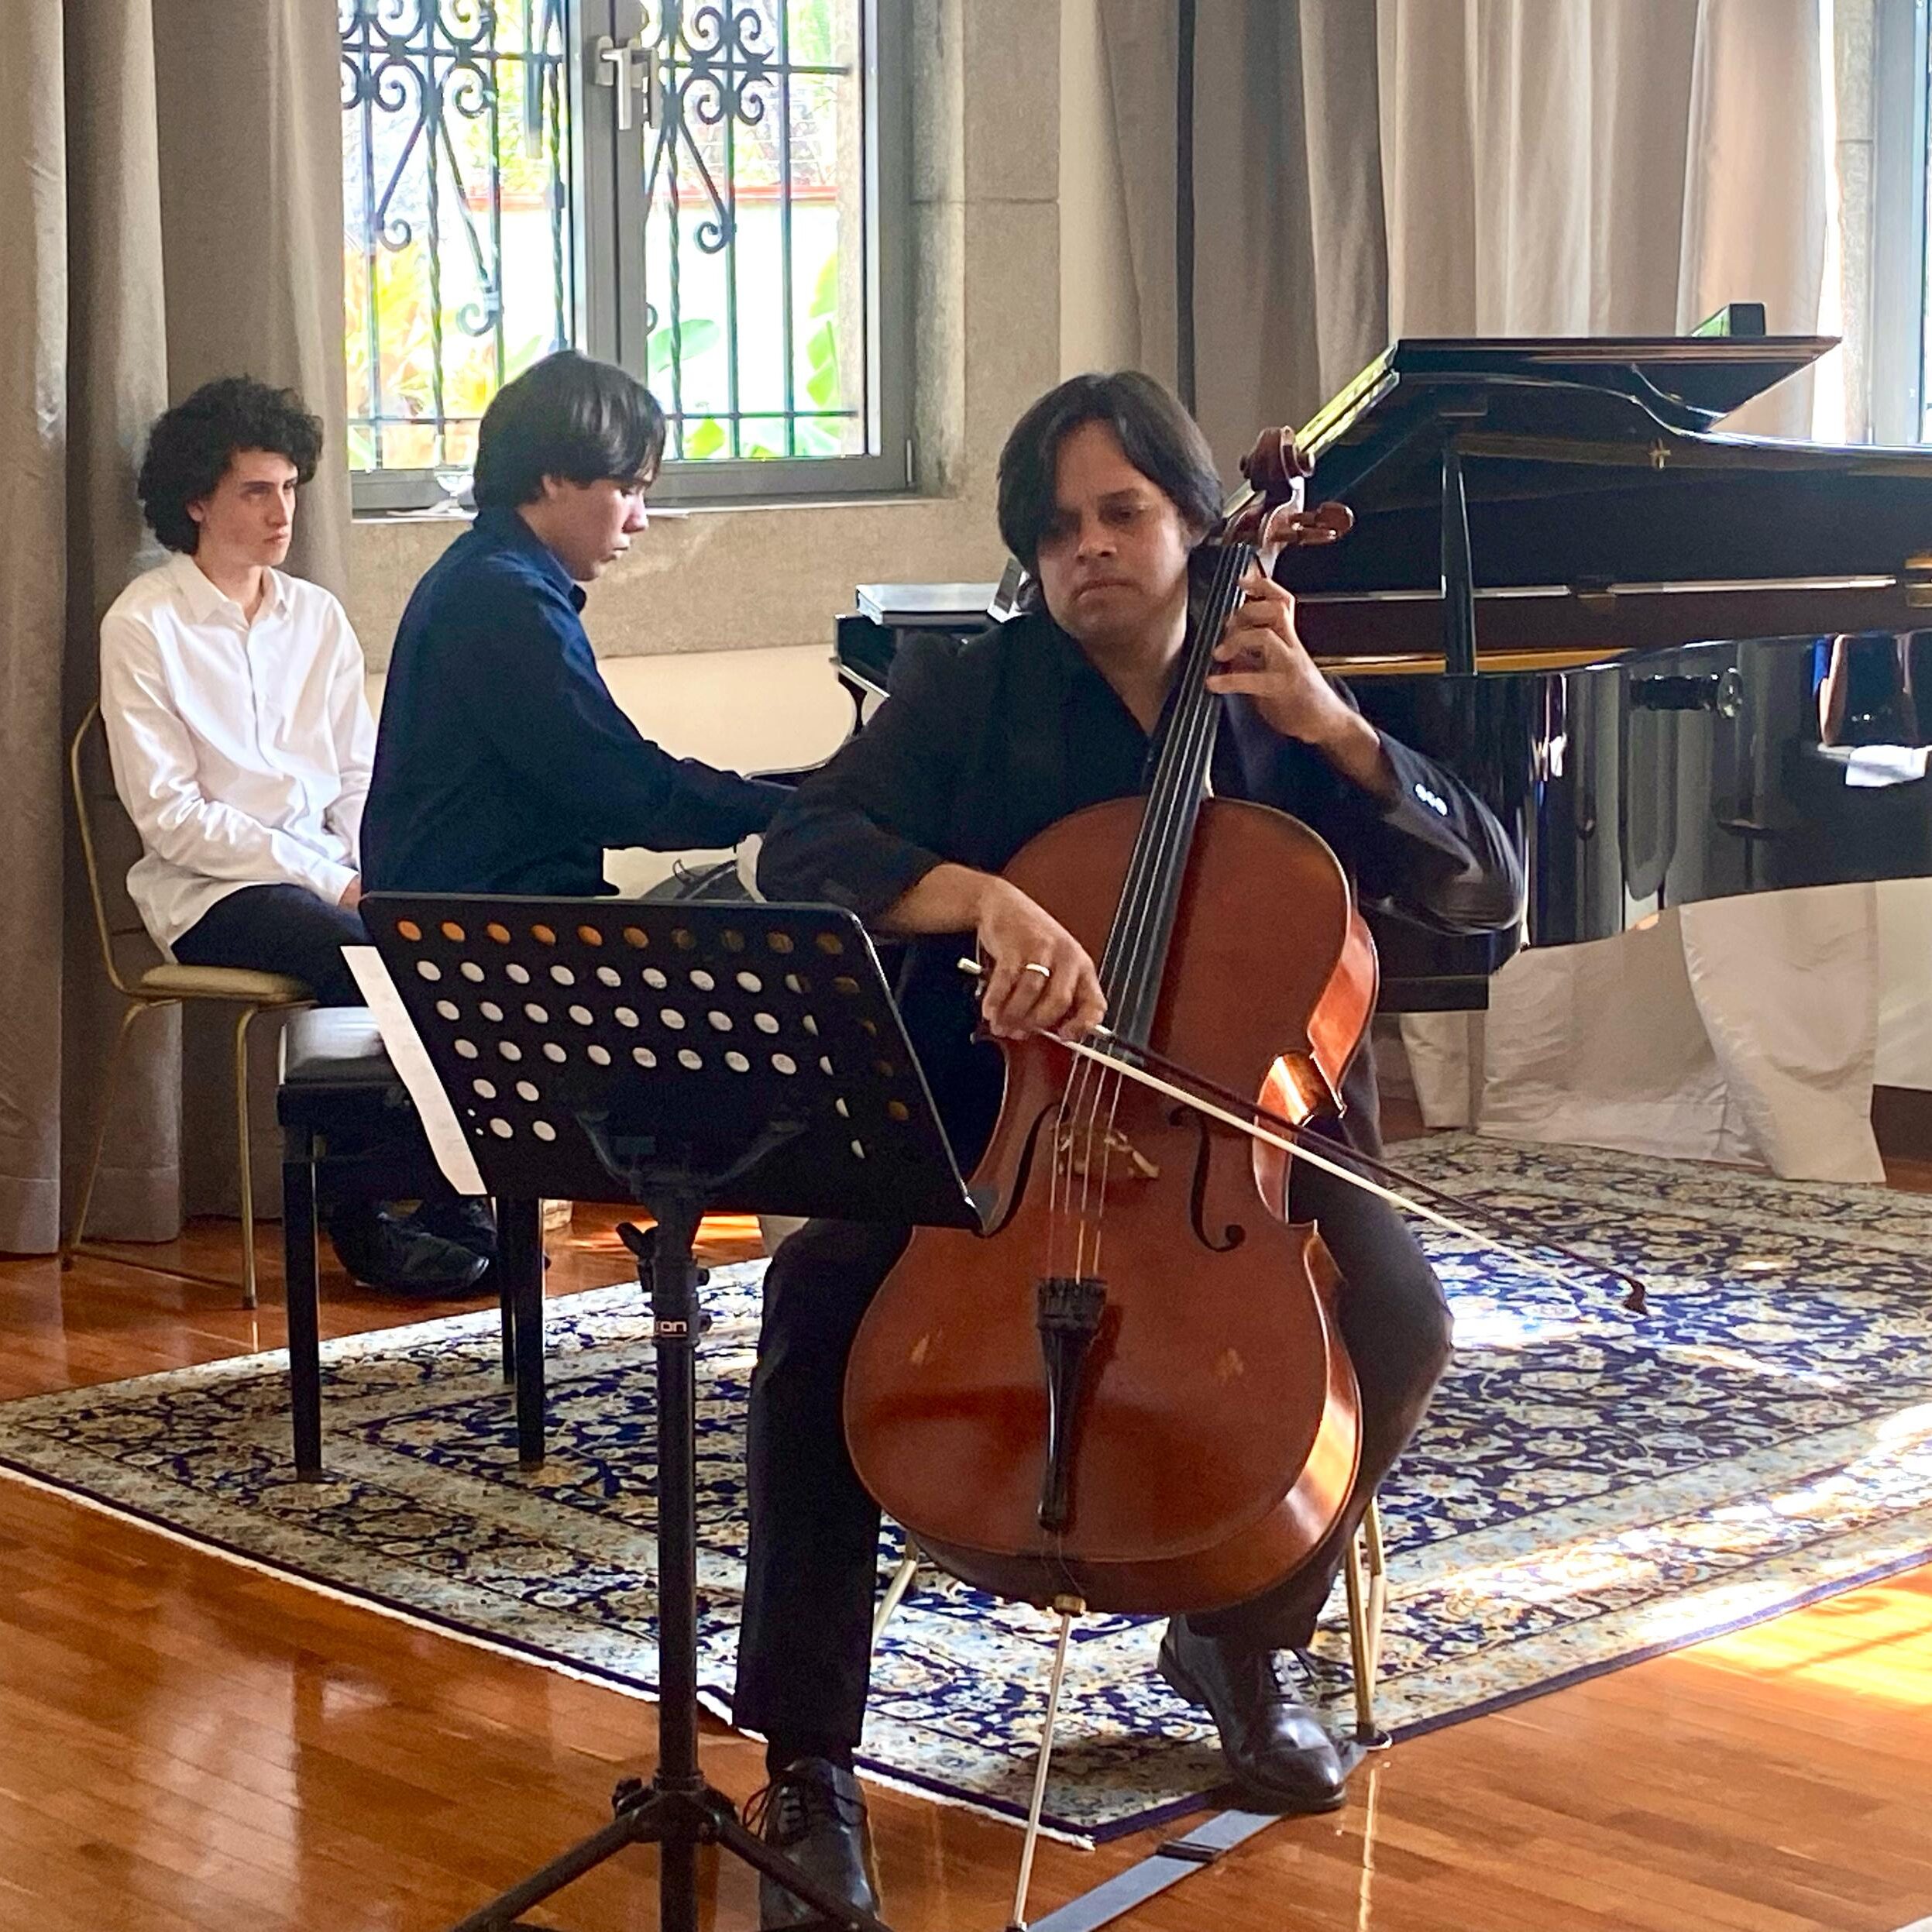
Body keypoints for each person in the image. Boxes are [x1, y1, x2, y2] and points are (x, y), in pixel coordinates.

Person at [732, 371, 1525, 1924]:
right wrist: (979, 899)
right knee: (815, 1304)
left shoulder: (1279, 690)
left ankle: (1237, 1635)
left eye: (1120, 512)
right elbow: (802, 844)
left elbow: (1482, 886)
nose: (1085, 548)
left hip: (1247, 1129)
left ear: (1193, 522)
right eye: (1053, 528)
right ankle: (807, 1761)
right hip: (999, 1109)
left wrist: (1333, 728)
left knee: (1401, 1316)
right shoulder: (972, 689)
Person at [99, 377, 487, 1295]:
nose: (282, 512)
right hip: (209, 893)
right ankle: (369, 1214)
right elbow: (171, 817)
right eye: (255, 491)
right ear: (197, 501)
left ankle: (456, 1201)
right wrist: (333, 881)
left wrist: (373, 871)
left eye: (289, 488)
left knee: (450, 943)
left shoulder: (315, 617)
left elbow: (359, 776)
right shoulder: (144, 624)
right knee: (361, 955)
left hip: (331, 876)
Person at [361, 350, 786, 899]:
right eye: (627, 490)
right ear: (555, 478)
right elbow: (619, 788)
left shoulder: (483, 572)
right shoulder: (505, 597)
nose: (640, 519)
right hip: (486, 926)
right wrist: (790, 812)